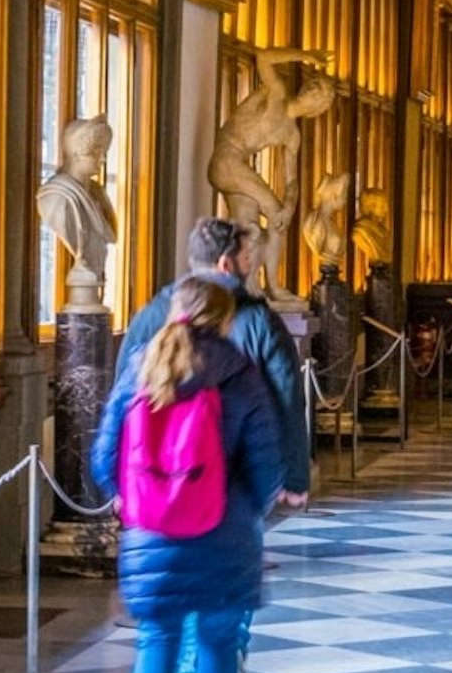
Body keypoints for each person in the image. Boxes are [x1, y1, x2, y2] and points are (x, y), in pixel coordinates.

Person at [94, 276, 291, 673]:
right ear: (225, 320)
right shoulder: (239, 373)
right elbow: (268, 462)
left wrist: (132, 496)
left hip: (150, 532)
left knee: (157, 641)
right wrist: (249, 506)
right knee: (218, 641)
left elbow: (102, 457)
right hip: (223, 531)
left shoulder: (141, 364)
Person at [106, 216, 312, 509]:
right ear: (225, 264)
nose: (251, 264)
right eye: (246, 257)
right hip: (229, 483)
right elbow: (287, 397)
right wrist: (293, 475)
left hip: (153, 483)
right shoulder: (259, 320)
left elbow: (120, 401)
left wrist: (118, 483)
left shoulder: (151, 314)